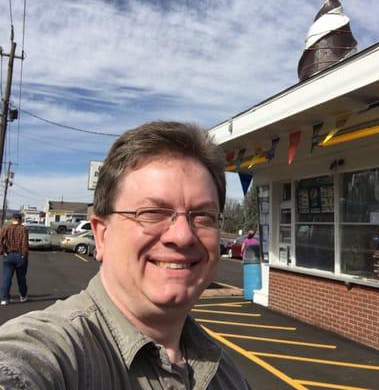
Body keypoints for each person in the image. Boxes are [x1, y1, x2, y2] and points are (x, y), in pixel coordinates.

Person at [0, 121, 251, 389]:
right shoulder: (59, 352)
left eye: (203, 215)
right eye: (153, 213)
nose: (183, 236)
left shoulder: (226, 373)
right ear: (102, 235)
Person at [0, 213, 29, 306]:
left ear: (12, 219)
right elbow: (24, 243)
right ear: (20, 220)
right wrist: (24, 255)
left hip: (8, 255)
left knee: (6, 278)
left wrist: (3, 251)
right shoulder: (23, 229)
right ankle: (23, 296)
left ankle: (4, 298)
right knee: (21, 278)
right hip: (20, 255)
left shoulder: (6, 228)